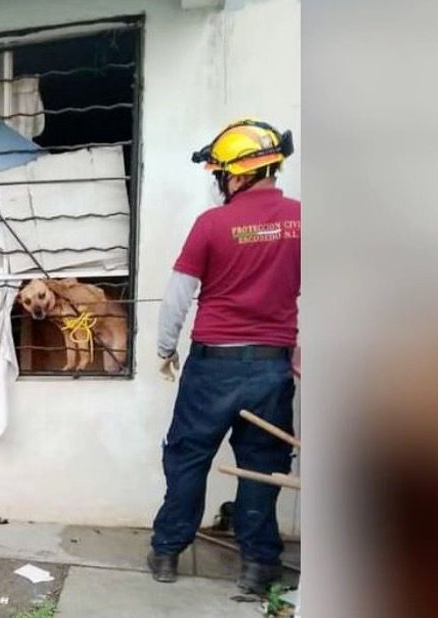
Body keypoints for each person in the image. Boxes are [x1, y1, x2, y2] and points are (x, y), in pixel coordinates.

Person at [147, 119, 301, 595]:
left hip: (213, 366)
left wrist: (165, 348)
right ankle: (258, 567)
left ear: (237, 175)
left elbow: (177, 296)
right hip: (272, 368)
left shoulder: (212, 224)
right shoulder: (302, 218)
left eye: (220, 176)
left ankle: (168, 553)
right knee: (261, 464)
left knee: (188, 458)